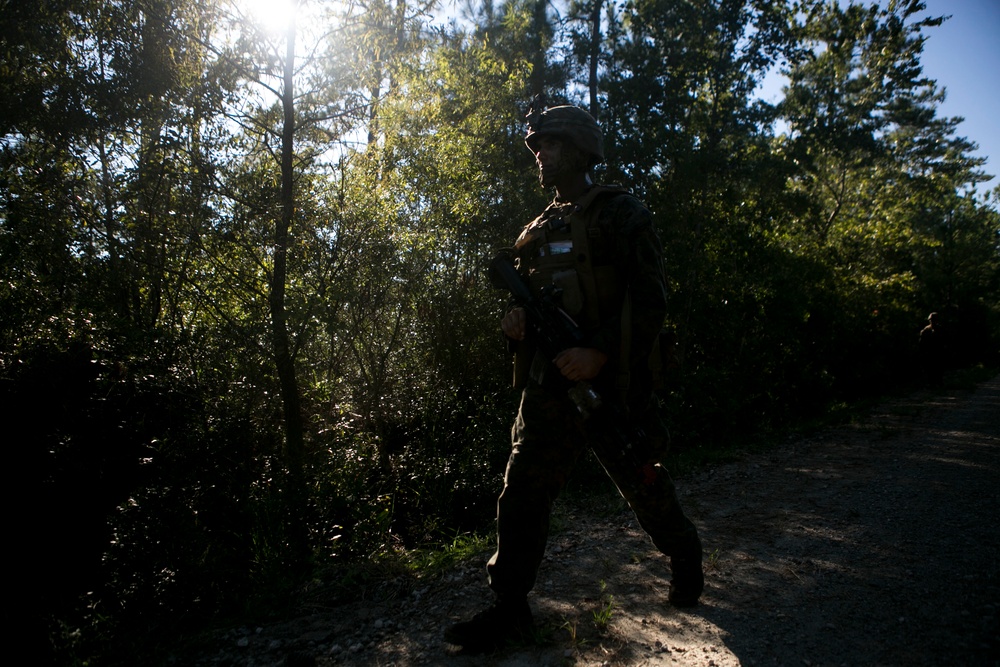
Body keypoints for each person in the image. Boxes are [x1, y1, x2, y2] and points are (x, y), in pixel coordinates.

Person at [444, 100, 704, 653]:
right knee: (521, 495)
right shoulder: (535, 231)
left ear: (581, 148)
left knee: (641, 478)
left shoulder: (621, 214)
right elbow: (538, 304)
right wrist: (515, 327)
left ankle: (683, 551)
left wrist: (602, 354)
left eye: (551, 144)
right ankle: (509, 607)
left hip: (613, 383)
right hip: (549, 387)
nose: (541, 155)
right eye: (537, 147)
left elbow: (651, 300)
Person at [919, 312, 945, 387]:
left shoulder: (941, 330)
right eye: (931, 320)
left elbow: (945, 341)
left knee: (939, 368)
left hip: (939, 352)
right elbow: (921, 343)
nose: (932, 321)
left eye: (934, 320)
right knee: (929, 369)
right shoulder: (925, 330)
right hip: (929, 353)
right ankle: (931, 383)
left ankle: (939, 382)